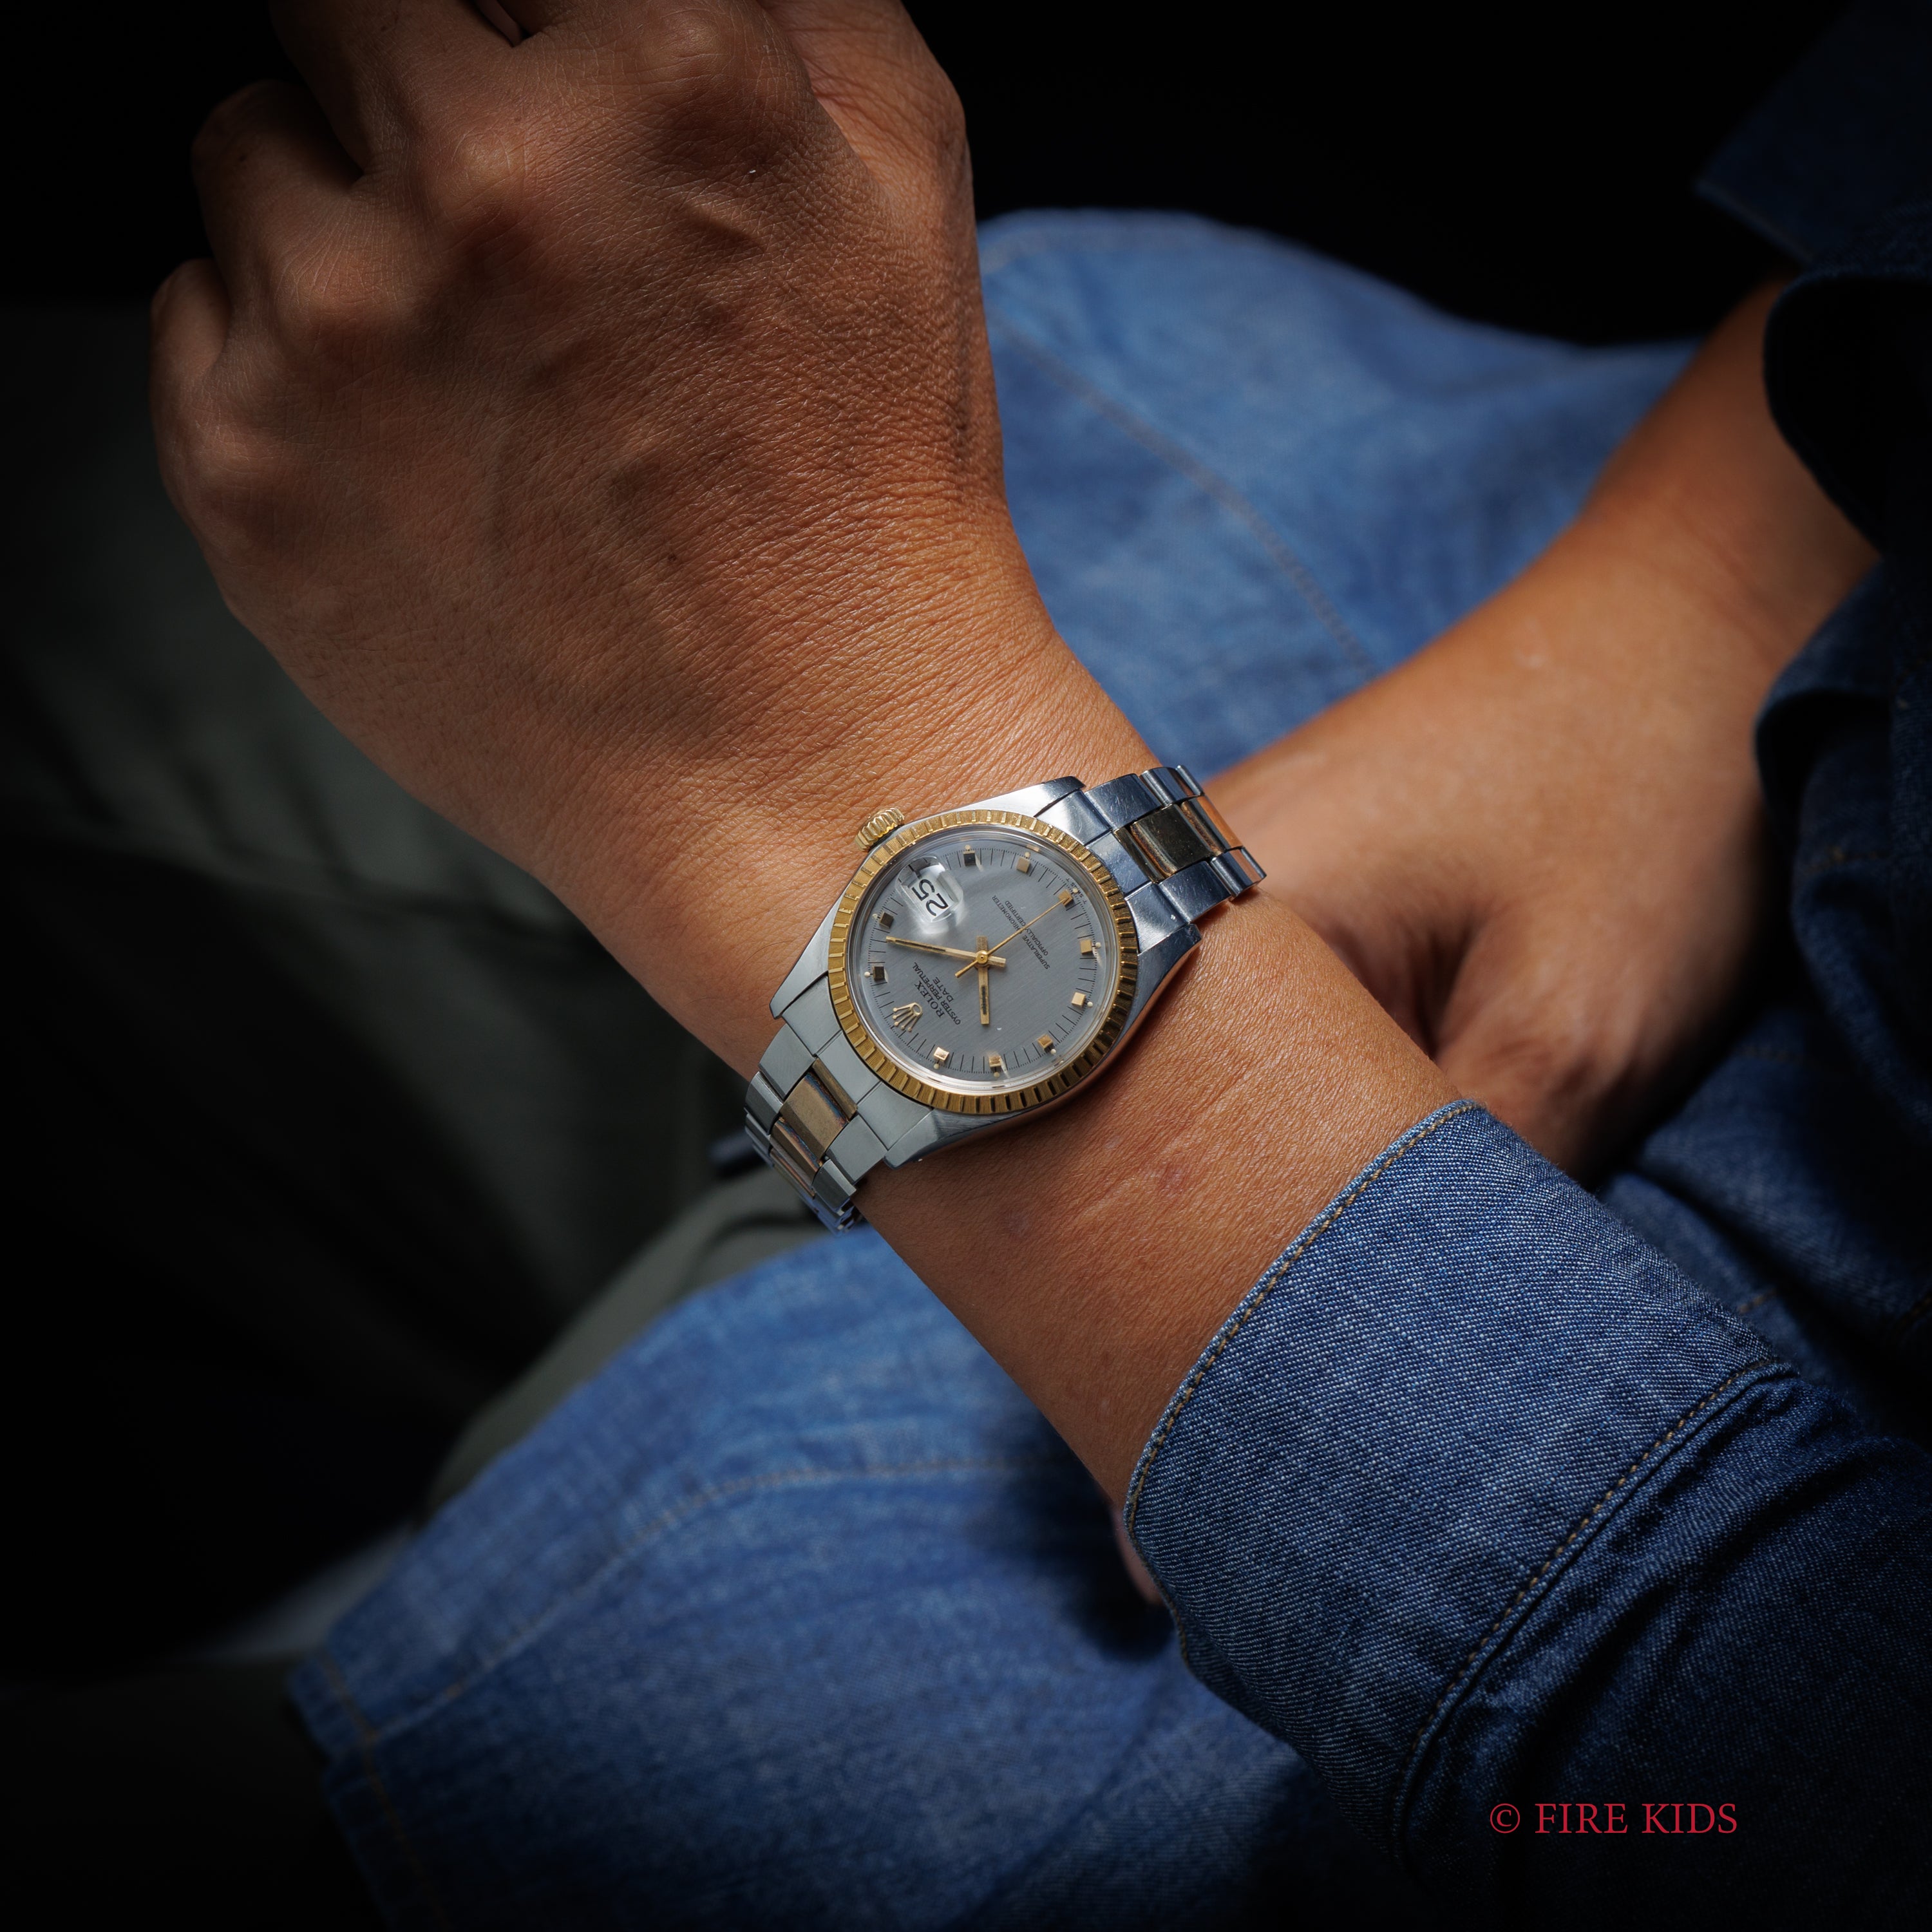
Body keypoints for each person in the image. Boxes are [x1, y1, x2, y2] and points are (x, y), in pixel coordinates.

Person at [84, 0, 1932, 1920]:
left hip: (1404, 1546)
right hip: (1454, 569)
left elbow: (1774, 1806)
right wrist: (1701, 586)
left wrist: (847, 767)